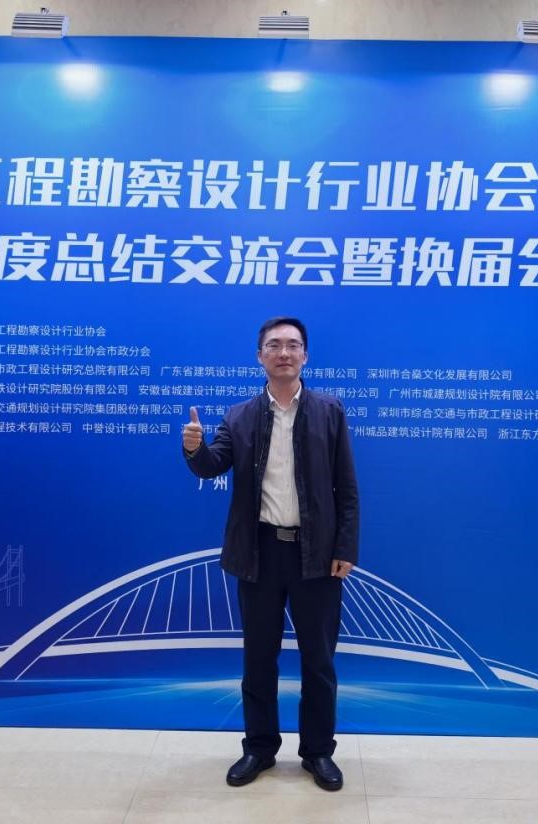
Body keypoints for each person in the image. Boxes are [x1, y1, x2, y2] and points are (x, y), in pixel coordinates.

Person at [182, 316, 359, 792]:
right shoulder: (240, 416)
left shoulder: (329, 411)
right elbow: (213, 464)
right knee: (258, 659)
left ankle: (318, 752)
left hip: (316, 556)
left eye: (293, 345)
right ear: (260, 356)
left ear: (305, 356)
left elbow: (347, 488)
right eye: (274, 345)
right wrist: (195, 450)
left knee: (318, 662)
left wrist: (345, 547)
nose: (284, 352)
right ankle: (259, 749)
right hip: (258, 554)